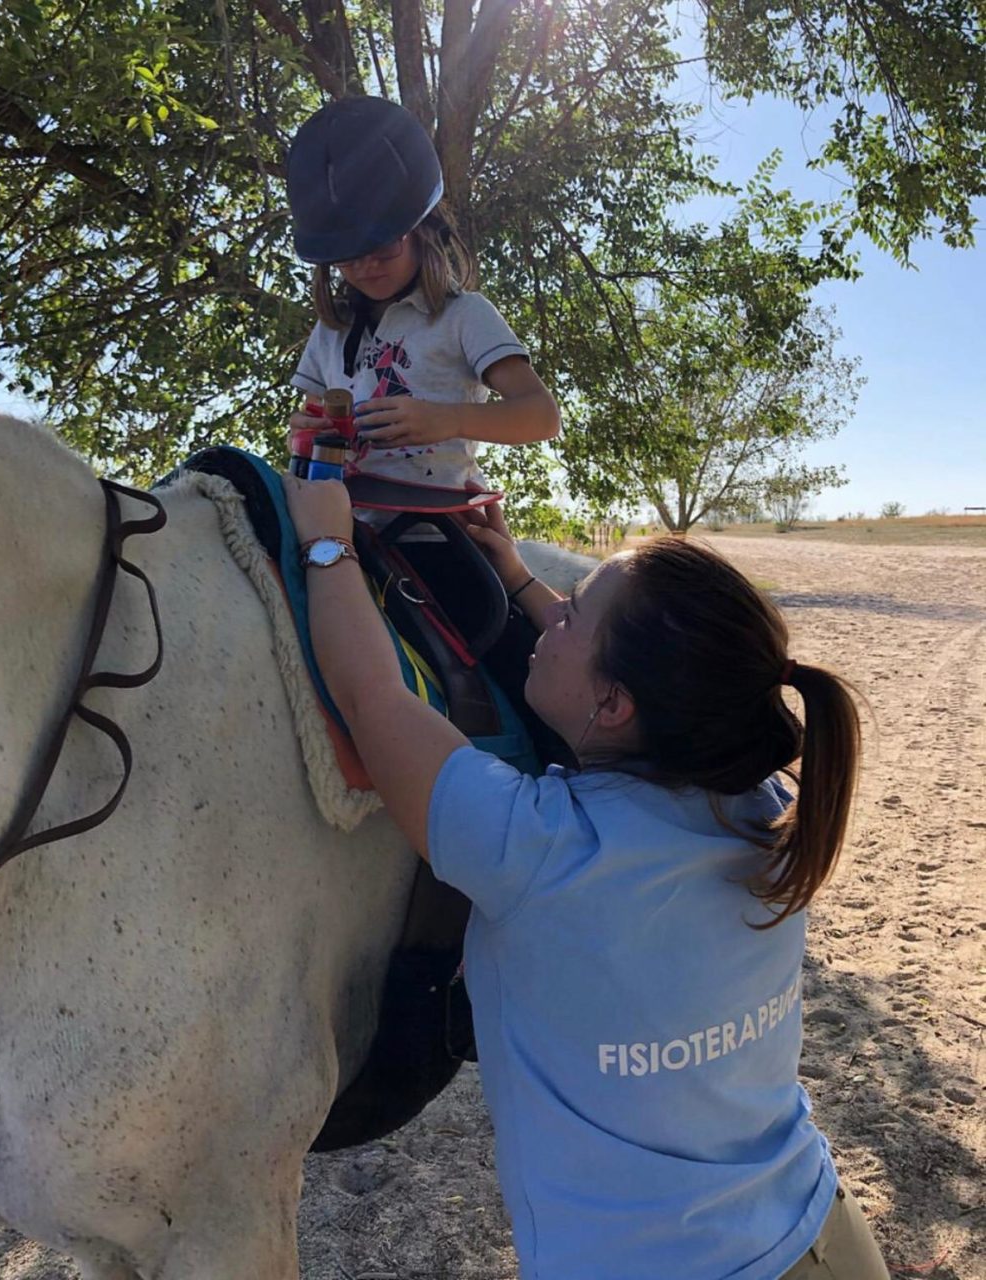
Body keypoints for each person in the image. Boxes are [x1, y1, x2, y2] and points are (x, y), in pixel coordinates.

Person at [283, 474, 891, 1280]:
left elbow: (372, 699)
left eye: (573, 610)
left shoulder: (535, 849)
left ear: (614, 706)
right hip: (820, 1229)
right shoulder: (753, 801)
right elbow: (642, 691)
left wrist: (328, 545)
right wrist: (521, 581)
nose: (555, 611)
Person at [285, 96, 559, 493]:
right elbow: (305, 428)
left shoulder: (464, 316)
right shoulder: (330, 331)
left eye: (382, 248)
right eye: (346, 258)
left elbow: (542, 416)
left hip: (433, 525)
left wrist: (449, 419)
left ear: (423, 231)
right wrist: (303, 431)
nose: (365, 267)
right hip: (339, 510)